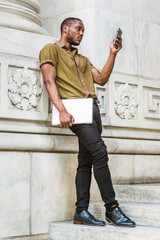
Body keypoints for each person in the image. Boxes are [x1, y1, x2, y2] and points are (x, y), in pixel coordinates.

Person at [39, 17, 135, 227]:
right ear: (66, 29)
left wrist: (113, 53)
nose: (82, 33)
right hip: (74, 111)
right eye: (78, 29)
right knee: (100, 151)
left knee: (86, 161)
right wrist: (61, 110)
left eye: (83, 30)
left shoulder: (83, 59)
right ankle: (112, 208)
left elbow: (101, 79)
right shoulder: (50, 49)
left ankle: (81, 211)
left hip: (92, 110)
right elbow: (49, 80)